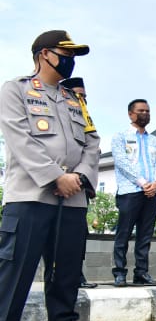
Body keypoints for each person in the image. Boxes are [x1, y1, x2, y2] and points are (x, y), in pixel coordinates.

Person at [0, 29, 104, 321]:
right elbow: (19, 139)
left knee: (67, 268)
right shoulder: (15, 90)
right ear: (45, 54)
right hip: (31, 195)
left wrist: (82, 177)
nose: (70, 60)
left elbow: (92, 143)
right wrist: (54, 176)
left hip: (72, 198)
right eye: (66, 53)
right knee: (15, 267)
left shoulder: (75, 100)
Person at [110, 98, 156, 287]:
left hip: (151, 193)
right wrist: (143, 183)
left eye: (147, 111)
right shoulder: (120, 137)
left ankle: (141, 272)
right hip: (129, 191)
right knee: (123, 233)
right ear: (130, 114)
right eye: (141, 111)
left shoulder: (155, 140)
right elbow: (122, 162)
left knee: (145, 235)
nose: (145, 114)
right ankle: (119, 272)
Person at [61, 77, 98, 289]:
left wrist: (80, 177)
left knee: (78, 236)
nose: (81, 100)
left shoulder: (85, 120)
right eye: (77, 95)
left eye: (84, 96)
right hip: (51, 185)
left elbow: (92, 150)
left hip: (79, 187)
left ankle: (77, 274)